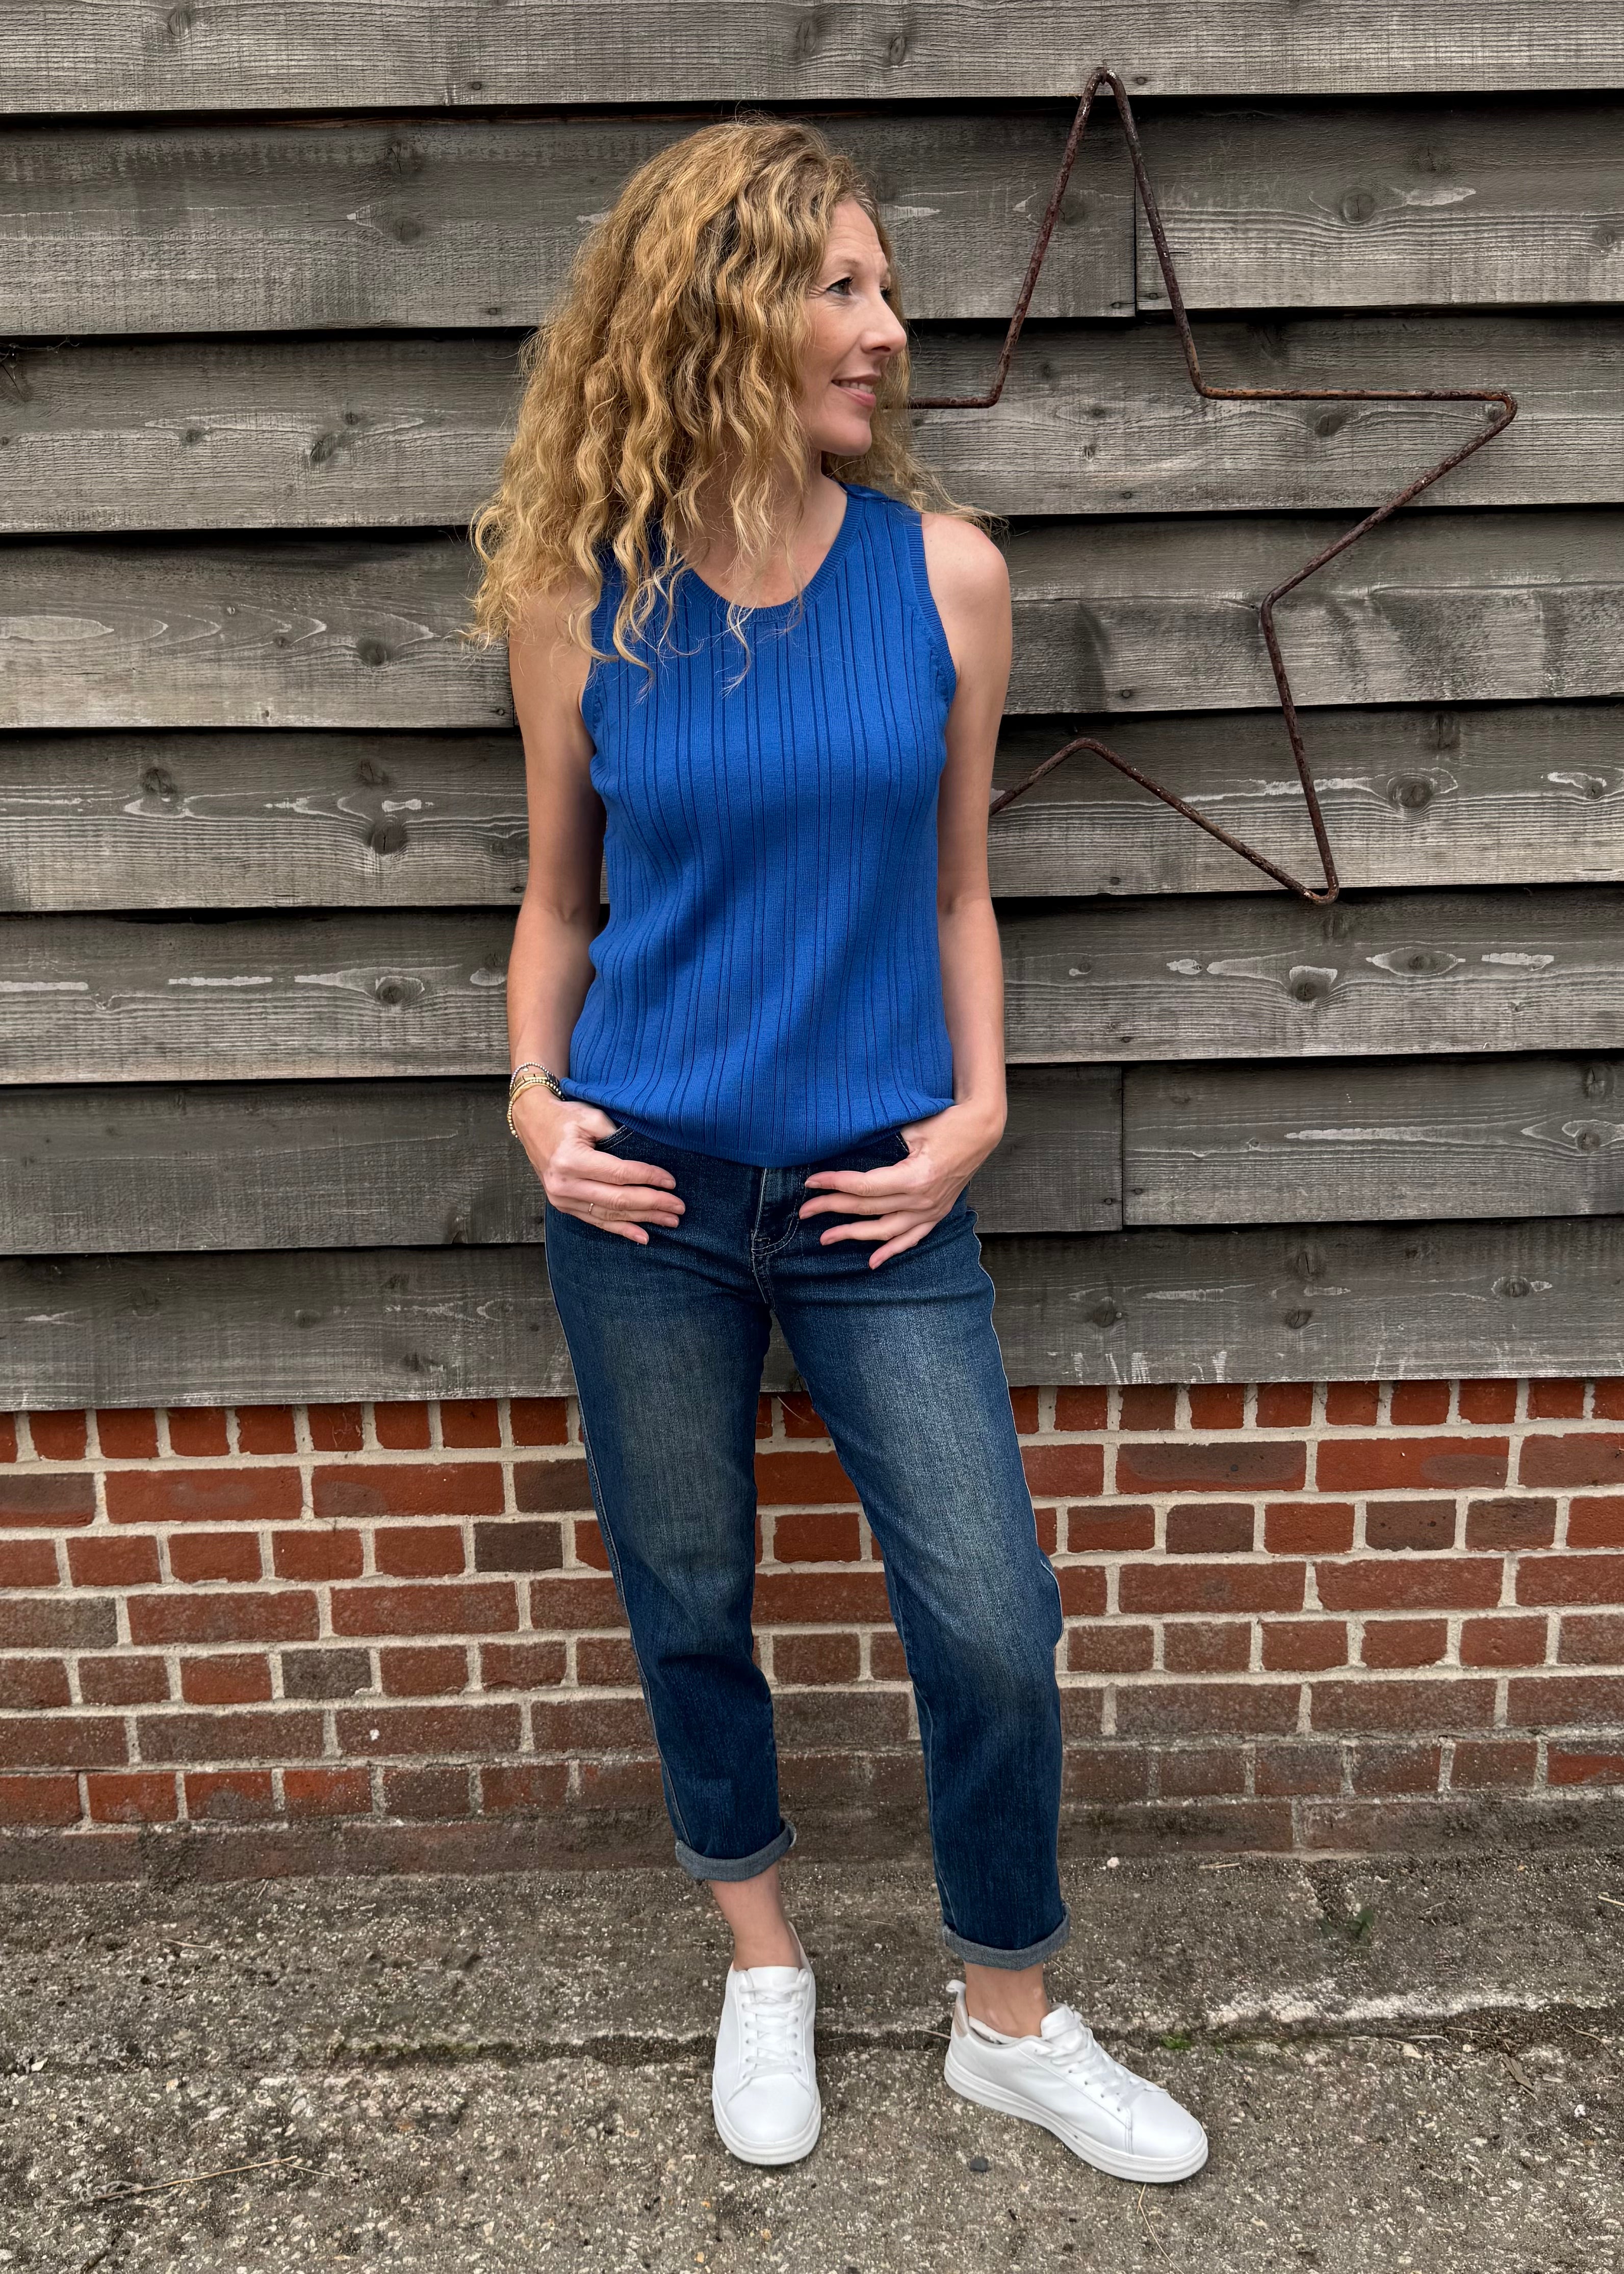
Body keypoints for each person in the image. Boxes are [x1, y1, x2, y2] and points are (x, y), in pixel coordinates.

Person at [468, 116, 1206, 2185]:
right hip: (649, 1199)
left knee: (986, 1609)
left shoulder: (946, 579)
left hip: (886, 1187)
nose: (885, 329)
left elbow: (959, 893)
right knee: (689, 1583)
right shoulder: (574, 599)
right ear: (715, 311)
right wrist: (535, 1109)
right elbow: (552, 906)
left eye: (883, 286)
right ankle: (764, 1961)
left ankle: (1005, 2012)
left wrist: (975, 1114)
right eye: (842, 287)